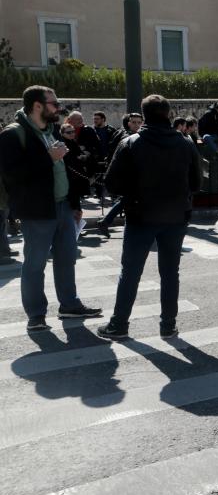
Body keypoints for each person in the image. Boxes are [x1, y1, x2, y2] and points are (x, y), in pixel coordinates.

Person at [96, 95, 201, 340]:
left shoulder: (131, 142)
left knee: (130, 272)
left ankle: (119, 324)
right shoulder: (185, 143)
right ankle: (168, 325)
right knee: (170, 273)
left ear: (143, 116)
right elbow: (196, 182)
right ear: (168, 114)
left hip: (141, 215)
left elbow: (112, 183)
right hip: (176, 216)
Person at [0, 86, 100, 330]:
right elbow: (12, 175)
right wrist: (48, 158)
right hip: (37, 210)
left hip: (64, 205)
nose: (58, 108)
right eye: (54, 103)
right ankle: (36, 315)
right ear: (37, 105)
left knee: (67, 258)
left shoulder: (52, 130)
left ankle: (69, 305)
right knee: (35, 264)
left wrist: (75, 204)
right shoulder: (13, 134)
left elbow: (65, 168)